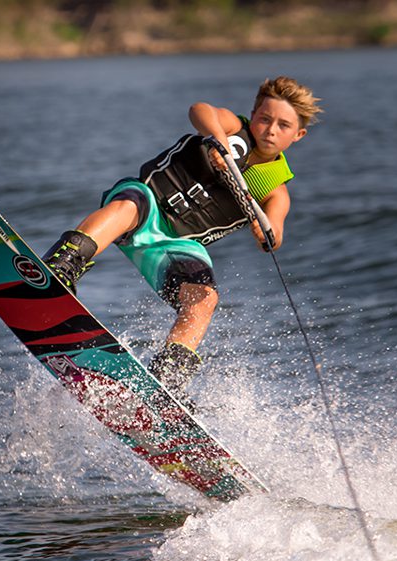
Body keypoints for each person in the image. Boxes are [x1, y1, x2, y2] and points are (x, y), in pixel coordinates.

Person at [42, 76, 322, 407]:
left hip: (175, 244)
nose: (270, 130)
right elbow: (200, 110)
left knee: (204, 298)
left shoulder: (276, 190)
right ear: (253, 114)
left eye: (283, 125)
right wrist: (218, 139)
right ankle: (62, 265)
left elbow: (275, 231)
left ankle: (168, 379)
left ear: (298, 135)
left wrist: (267, 234)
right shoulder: (233, 128)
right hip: (149, 203)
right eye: (265, 118)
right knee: (126, 206)